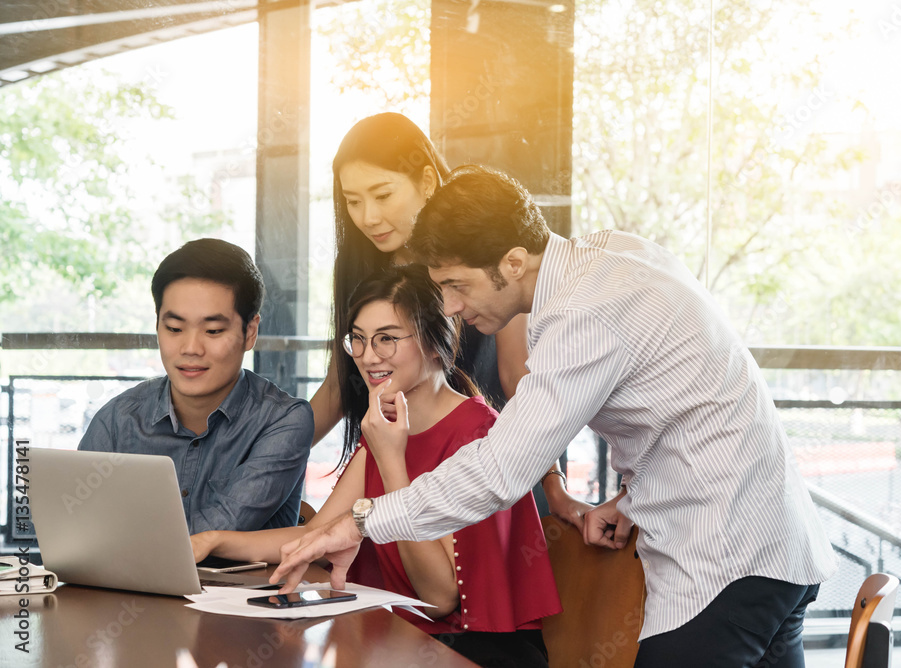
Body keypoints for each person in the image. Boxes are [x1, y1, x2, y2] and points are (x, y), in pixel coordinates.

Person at [273, 166, 839, 668]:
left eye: (456, 285)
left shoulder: (582, 316)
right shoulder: (613, 254)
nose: (449, 307)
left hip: (727, 557)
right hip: (775, 543)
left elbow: (498, 472)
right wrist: (635, 495)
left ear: (513, 262)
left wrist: (362, 521)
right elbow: (690, 396)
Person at [193, 266, 561, 667]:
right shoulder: (384, 429)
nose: (368, 357)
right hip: (402, 642)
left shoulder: (480, 433)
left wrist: (390, 459)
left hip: (475, 652)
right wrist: (214, 540)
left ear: (436, 342)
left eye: (387, 339)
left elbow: (438, 599)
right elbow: (316, 535)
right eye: (360, 340)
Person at [307, 112, 587, 524]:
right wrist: (267, 455)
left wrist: (554, 483)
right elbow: (338, 385)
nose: (366, 217)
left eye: (382, 195)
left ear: (425, 181)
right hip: (397, 455)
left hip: (480, 461)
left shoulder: (481, 249)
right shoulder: (362, 268)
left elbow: (518, 378)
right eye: (353, 201)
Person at [79, 238, 312, 533]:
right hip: (122, 581)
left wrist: (124, 537)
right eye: (174, 328)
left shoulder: (283, 420)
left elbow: (224, 528)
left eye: (213, 331)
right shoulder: (117, 419)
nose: (190, 348)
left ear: (250, 332)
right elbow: (81, 529)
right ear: (157, 326)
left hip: (246, 582)